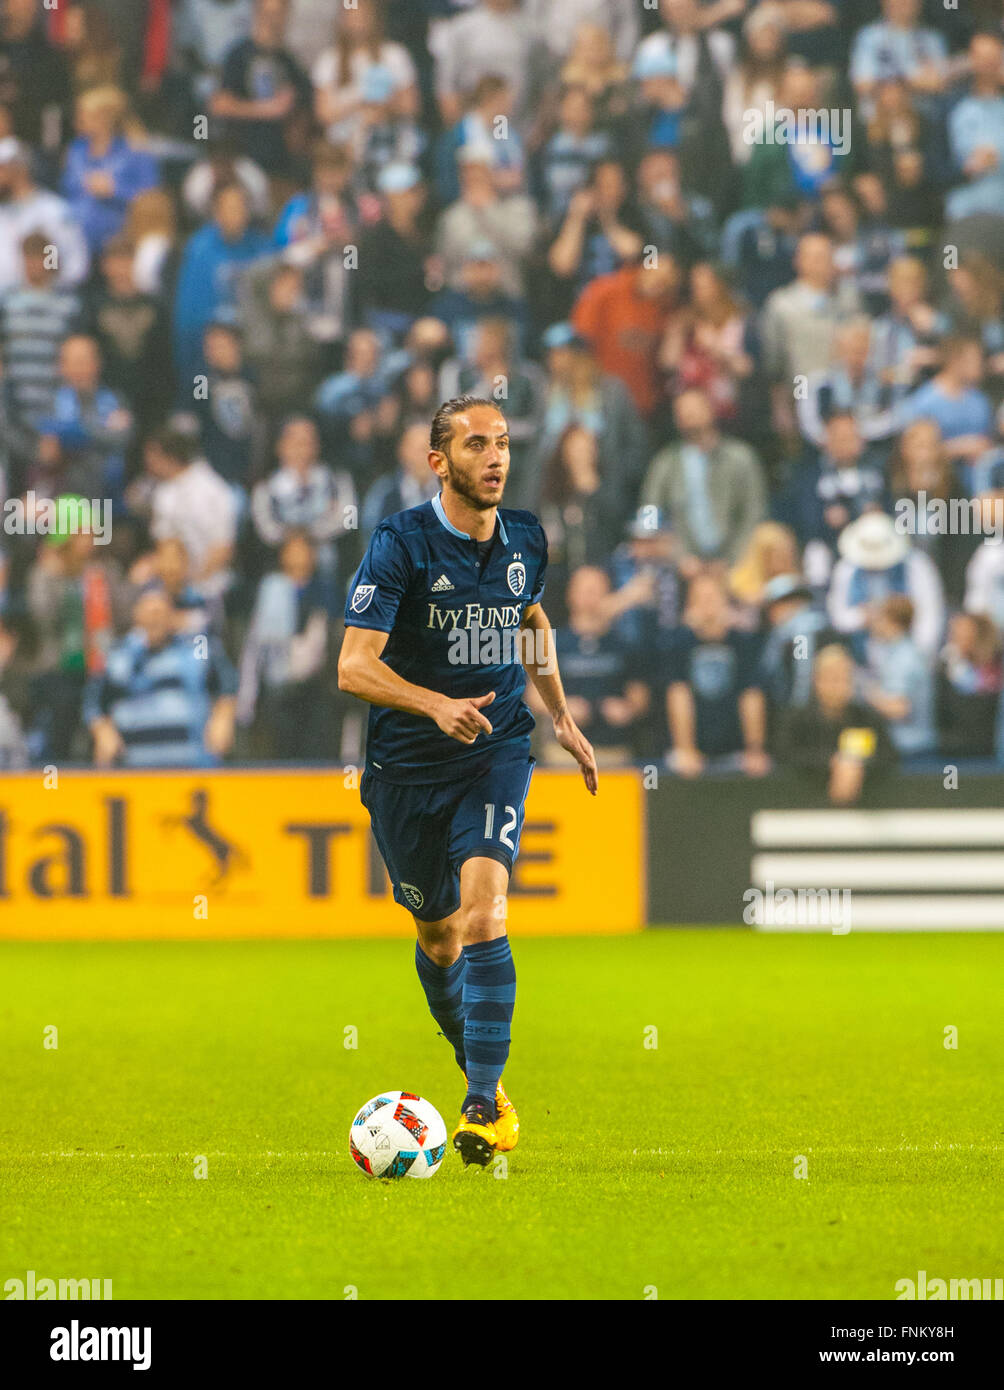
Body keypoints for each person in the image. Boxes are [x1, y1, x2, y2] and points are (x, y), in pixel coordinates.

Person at [337, 395, 597, 1168]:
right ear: (438, 461)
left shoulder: (526, 537)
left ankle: (482, 1103)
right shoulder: (400, 544)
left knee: (487, 913)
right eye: (477, 444)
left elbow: (532, 623)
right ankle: (473, 1065)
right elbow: (352, 665)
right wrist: (432, 703)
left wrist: (560, 714)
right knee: (439, 934)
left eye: (505, 444)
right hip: (407, 769)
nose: (496, 458)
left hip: (496, 747)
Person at [776, 643, 898, 803]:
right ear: (816, 680)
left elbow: (889, 756)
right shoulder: (796, 718)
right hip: (803, 803)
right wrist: (831, 763)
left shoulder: (866, 718)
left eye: (845, 678)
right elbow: (784, 755)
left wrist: (858, 765)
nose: (839, 686)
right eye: (832, 679)